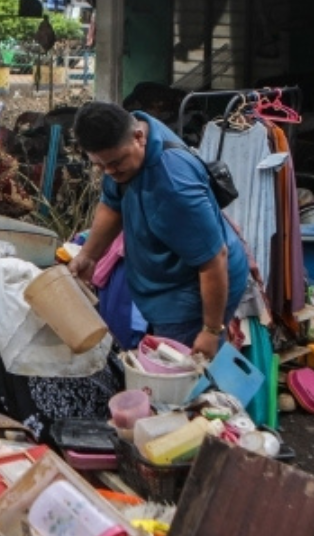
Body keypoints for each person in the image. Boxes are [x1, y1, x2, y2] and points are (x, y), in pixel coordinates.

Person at [68, 101, 249, 359]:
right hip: (166, 285)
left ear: (139, 138)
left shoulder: (174, 184)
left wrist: (210, 329)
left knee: (178, 379)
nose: (109, 171)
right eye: (100, 165)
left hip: (194, 294)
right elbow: (112, 204)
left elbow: (213, 260)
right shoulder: (128, 134)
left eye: (115, 163)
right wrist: (88, 255)